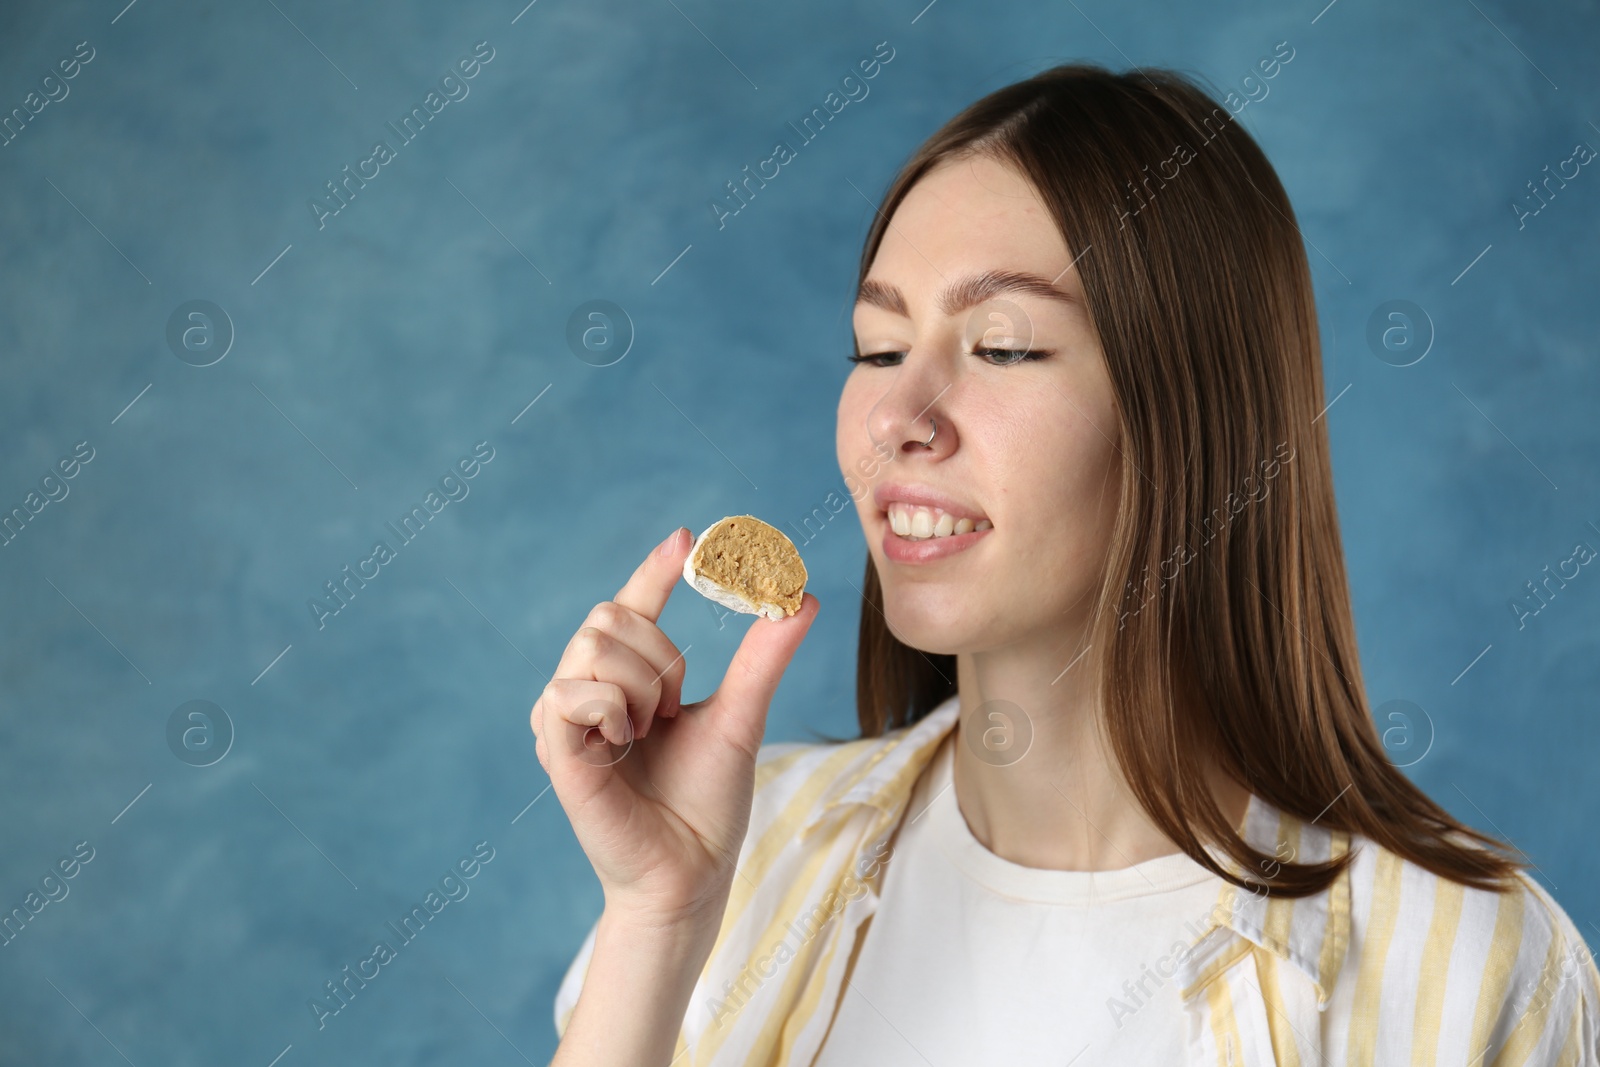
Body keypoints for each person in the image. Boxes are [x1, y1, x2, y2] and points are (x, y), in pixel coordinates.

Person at [531, 62, 1600, 1066]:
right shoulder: (737, 854)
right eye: (877, 348)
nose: (898, 418)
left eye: (1000, 347)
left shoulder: (1471, 967)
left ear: (1193, 416)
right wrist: (659, 919)